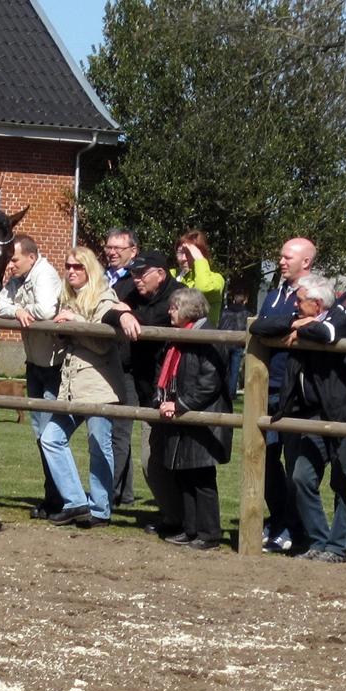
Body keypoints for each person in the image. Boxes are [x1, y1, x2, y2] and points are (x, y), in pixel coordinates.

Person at [250, 273, 346, 563]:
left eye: (300, 301)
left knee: (343, 480)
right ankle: (319, 540)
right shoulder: (300, 316)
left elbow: (328, 334)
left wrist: (305, 328)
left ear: (317, 304)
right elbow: (259, 326)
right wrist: (297, 323)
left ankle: (338, 547)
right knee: (301, 477)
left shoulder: (343, 319)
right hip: (311, 414)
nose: (294, 305)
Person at [39, 246, 124, 527]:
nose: (71, 271)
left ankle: (100, 509)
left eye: (78, 267)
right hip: (71, 385)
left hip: (100, 385)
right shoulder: (67, 298)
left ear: (90, 269)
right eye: (68, 266)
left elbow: (103, 344)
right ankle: (76, 502)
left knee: (99, 446)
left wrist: (75, 322)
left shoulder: (104, 296)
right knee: (51, 438)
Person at [149, 287, 233, 549]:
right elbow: (163, 370)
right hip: (182, 414)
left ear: (189, 309)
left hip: (203, 418)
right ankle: (191, 528)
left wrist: (181, 405)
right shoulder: (178, 336)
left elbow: (210, 382)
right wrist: (163, 400)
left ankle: (209, 534)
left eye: (174, 307)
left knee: (201, 477)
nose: (169, 312)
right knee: (184, 474)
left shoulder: (207, 335)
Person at [103, 248, 181, 519]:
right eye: (133, 274)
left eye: (141, 274)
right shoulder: (137, 295)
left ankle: (178, 518)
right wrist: (122, 315)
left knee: (162, 459)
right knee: (150, 458)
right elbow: (108, 314)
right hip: (145, 384)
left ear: (160, 274)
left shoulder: (177, 294)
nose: (135, 280)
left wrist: (129, 314)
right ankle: (171, 516)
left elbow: (158, 320)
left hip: (174, 388)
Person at [254, 236, 316, 553]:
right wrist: (292, 321)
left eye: (287, 257)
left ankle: (294, 527)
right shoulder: (275, 294)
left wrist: (291, 324)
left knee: (294, 464)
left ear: (306, 261)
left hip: (295, 391)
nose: (281, 261)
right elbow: (260, 326)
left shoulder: (314, 293)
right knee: (264, 459)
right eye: (281, 256)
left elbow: (319, 325)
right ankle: (278, 519)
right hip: (266, 387)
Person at [0, 232, 64, 518]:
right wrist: (17, 309)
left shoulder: (44, 275)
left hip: (53, 366)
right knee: (40, 433)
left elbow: (46, 310)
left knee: (50, 435)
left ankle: (59, 499)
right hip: (35, 363)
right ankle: (54, 496)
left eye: (14, 259)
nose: (10, 265)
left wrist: (23, 309)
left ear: (32, 257)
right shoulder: (18, 280)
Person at [103, 228, 140, 507]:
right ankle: (124, 493)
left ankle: (108, 493)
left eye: (119, 248)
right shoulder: (101, 277)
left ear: (133, 251)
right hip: (104, 360)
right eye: (109, 247)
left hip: (128, 364)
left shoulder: (136, 280)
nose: (112, 252)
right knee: (110, 429)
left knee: (119, 431)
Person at [171, 229, 225, 325]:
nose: (183, 258)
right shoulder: (173, 274)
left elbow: (203, 289)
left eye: (189, 253)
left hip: (202, 333)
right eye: (180, 253)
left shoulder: (216, 279)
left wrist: (200, 259)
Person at [217, 288, 250, 400]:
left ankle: (222, 391)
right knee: (234, 370)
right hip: (238, 343)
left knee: (224, 368)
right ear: (244, 300)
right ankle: (231, 393)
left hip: (226, 342)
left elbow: (221, 325)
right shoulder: (247, 313)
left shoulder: (226, 311)